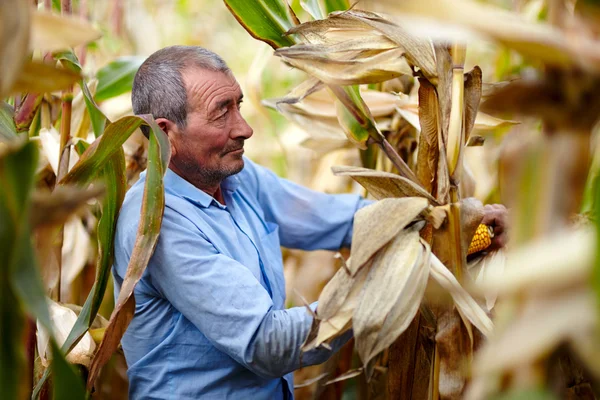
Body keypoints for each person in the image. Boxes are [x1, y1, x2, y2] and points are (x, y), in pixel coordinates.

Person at [113, 45, 508, 400]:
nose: (244, 128)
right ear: (165, 135)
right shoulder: (157, 224)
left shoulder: (235, 177)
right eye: (221, 113)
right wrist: (402, 275)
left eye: (238, 105)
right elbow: (268, 344)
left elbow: (337, 221)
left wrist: (445, 220)